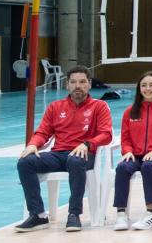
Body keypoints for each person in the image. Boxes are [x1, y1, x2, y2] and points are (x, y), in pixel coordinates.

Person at [15, 66, 114, 233]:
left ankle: (74, 214)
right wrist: (33, 144)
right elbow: (43, 132)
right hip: (58, 155)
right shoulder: (55, 107)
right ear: (67, 85)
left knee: (75, 160)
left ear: (89, 84)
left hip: (83, 155)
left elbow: (106, 134)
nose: (78, 86)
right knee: (25, 162)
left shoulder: (99, 107)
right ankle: (38, 215)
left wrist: (88, 144)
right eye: (73, 82)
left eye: (82, 82)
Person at [111, 71, 152, 232]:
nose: (148, 89)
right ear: (139, 88)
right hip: (136, 155)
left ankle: (150, 213)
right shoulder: (130, 111)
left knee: (148, 166)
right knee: (122, 167)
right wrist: (127, 151)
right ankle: (121, 214)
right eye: (144, 85)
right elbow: (125, 138)